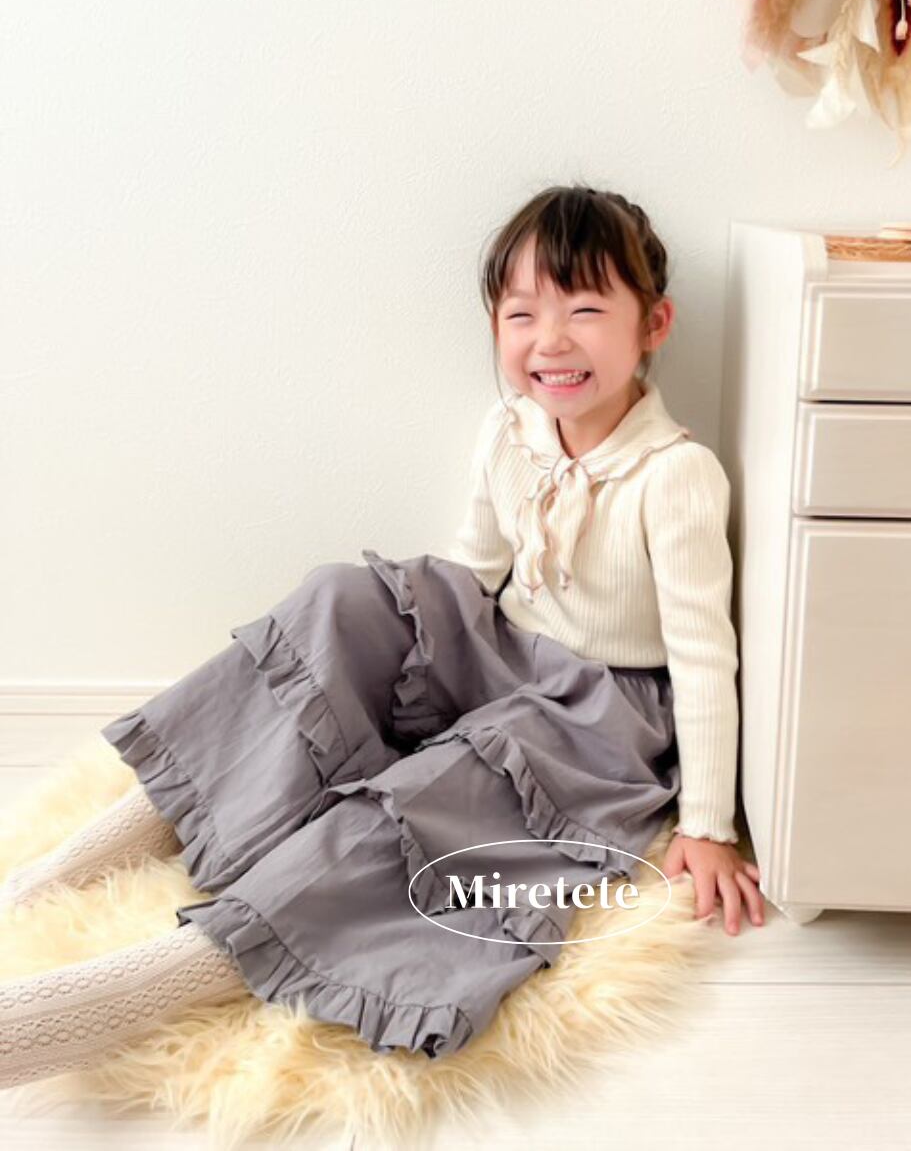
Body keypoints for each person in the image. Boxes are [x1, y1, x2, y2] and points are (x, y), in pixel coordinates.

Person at [0, 184, 764, 1087]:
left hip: (601, 712)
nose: (551, 341)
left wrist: (708, 825)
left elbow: (705, 658)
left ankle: (110, 997)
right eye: (522, 315)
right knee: (344, 599)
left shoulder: (676, 475)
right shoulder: (509, 430)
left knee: (434, 791)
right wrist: (406, 648)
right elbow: (471, 574)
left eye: (586, 311)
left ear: (653, 324)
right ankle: (51, 877)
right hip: (504, 647)